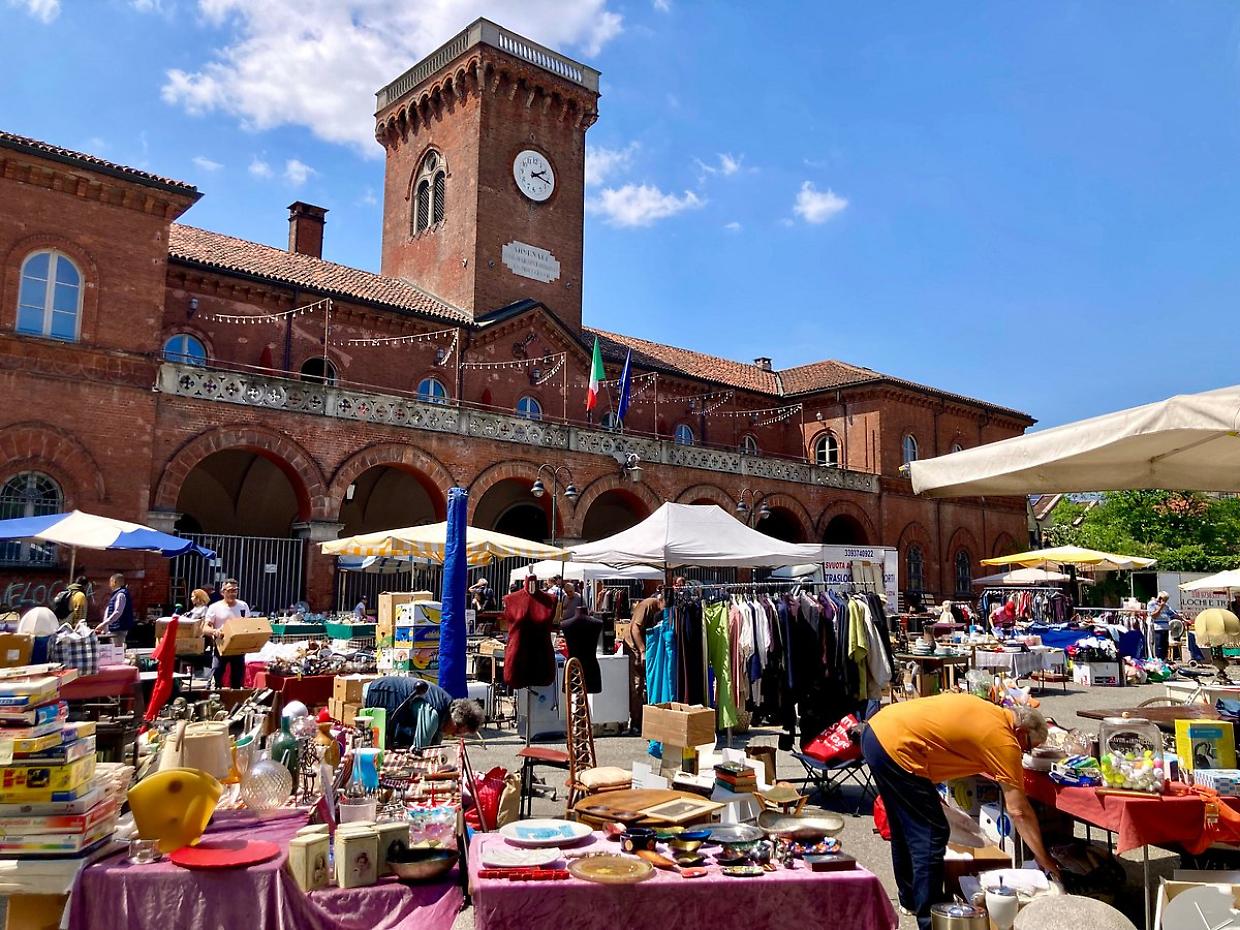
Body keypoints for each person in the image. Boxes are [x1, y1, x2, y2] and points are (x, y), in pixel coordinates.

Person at [862, 693, 1060, 930]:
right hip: (897, 747)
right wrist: (1044, 860)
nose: (1023, 754)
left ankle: (910, 899)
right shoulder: (1004, 739)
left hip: (877, 733)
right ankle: (929, 920)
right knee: (931, 834)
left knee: (904, 826)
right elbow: (1019, 811)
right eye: (1027, 747)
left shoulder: (992, 713)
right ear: (1021, 732)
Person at [363, 677, 484, 750]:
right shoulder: (434, 714)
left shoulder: (444, 709)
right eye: (456, 731)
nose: (452, 735)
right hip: (380, 693)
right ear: (455, 720)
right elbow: (421, 748)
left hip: (381, 690)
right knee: (379, 746)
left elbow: (435, 743)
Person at [618, 589, 666, 731]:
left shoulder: (657, 608)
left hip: (644, 646)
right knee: (637, 684)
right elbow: (635, 628)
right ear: (661, 600)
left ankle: (641, 719)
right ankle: (636, 722)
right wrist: (642, 651)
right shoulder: (648, 605)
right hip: (634, 647)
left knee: (645, 683)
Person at [204, 579, 250, 688]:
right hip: (221, 646)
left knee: (237, 679)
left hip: (238, 648)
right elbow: (205, 628)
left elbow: (248, 624)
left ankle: (234, 697)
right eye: (229, 590)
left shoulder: (243, 606)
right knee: (217, 674)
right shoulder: (214, 607)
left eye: (235, 590)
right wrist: (214, 631)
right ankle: (214, 695)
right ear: (222, 592)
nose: (232, 593)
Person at [94, 573, 135, 648]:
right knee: (116, 649)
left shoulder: (120, 595)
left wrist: (103, 624)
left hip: (118, 628)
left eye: (110, 582)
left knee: (117, 649)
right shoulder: (118, 594)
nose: (109, 585)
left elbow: (117, 612)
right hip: (116, 628)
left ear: (114, 582)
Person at [1147, 591, 1178, 660]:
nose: (1165, 601)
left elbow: (1173, 614)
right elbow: (1153, 616)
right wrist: (1160, 607)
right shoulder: (1152, 604)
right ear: (1160, 598)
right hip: (1157, 628)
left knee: (1165, 646)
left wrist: (1184, 620)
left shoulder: (1166, 606)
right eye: (1164, 599)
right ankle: (1158, 660)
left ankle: (1164, 660)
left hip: (1166, 628)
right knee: (1159, 646)